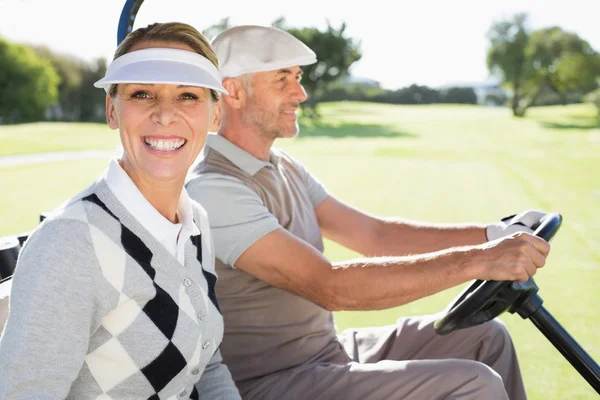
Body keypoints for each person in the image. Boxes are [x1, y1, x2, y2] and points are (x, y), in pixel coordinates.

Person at [185, 25, 552, 400]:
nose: (301, 93)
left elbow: (375, 235)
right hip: (271, 382)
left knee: (486, 338)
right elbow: (329, 287)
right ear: (232, 91)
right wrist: (479, 261)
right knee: (476, 383)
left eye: (298, 77)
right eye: (283, 80)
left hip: (326, 354)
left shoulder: (283, 166)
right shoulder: (215, 188)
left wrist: (494, 234)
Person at [0, 22, 241, 400]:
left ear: (215, 116)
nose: (165, 114)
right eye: (142, 93)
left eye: (188, 96)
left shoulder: (196, 223)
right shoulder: (70, 244)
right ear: (113, 111)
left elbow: (207, 366)